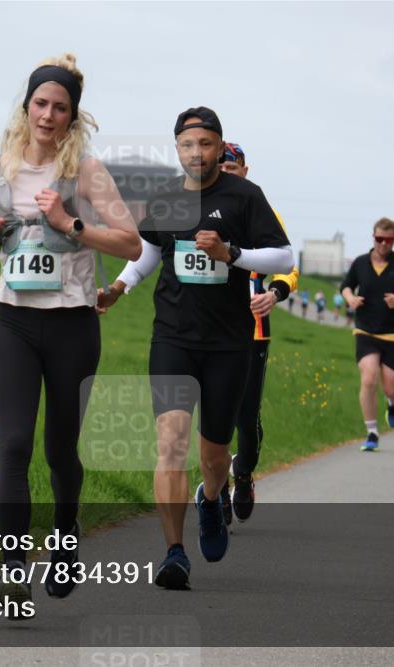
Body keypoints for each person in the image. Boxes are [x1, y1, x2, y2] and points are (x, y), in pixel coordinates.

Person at [97, 108, 294, 589]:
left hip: (228, 343)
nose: (196, 153)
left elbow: (283, 255)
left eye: (205, 144)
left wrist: (232, 255)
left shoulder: (245, 196)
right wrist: (119, 288)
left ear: (218, 146)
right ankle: (174, 553)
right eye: (187, 145)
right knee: (170, 445)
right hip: (173, 339)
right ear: (177, 148)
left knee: (213, 455)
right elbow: (148, 252)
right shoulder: (164, 199)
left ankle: (211, 498)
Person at [0, 53, 141, 610]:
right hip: (13, 321)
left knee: (59, 448)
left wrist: (69, 223)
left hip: (71, 324)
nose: (48, 114)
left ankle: (66, 538)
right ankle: (13, 566)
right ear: (26, 106)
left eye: (60, 107)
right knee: (14, 442)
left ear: (73, 116)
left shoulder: (86, 172)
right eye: (40, 103)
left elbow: (131, 243)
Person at [218, 141, 299, 524]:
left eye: (232, 170)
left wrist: (274, 292)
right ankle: (215, 490)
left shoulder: (262, 211)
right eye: (219, 170)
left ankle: (244, 473)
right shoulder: (199, 209)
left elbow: (288, 265)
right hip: (207, 325)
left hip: (253, 327)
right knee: (212, 415)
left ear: (245, 172)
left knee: (245, 419)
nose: (225, 177)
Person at [340, 218, 394, 451]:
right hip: (366, 330)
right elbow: (346, 285)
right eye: (379, 239)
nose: (383, 244)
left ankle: (393, 402)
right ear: (373, 237)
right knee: (368, 378)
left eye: (388, 240)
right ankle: (372, 432)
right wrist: (350, 298)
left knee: (390, 387)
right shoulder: (360, 263)